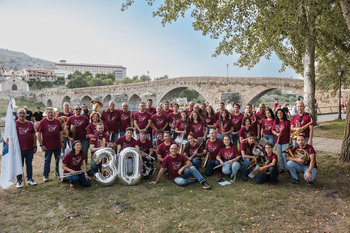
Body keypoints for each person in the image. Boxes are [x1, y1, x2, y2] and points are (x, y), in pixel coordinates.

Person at [37, 107, 63, 182]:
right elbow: (39, 134)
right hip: (47, 146)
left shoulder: (57, 121)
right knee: (47, 161)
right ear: (46, 113)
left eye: (51, 112)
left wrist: (62, 141)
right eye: (49, 112)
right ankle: (45, 175)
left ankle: (57, 172)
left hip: (57, 145)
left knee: (58, 160)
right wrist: (41, 145)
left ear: (53, 113)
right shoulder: (42, 122)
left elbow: (61, 131)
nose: (50, 114)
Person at [15, 108, 37, 188]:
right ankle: (19, 181)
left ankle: (30, 179)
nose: (22, 114)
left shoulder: (30, 124)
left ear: (26, 114)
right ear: (17, 114)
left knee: (29, 164)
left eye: (23, 113)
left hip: (29, 148)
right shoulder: (15, 124)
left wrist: (35, 145)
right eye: (20, 113)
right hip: (19, 149)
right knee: (19, 165)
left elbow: (34, 135)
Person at [272, 108, 291, 174]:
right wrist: (276, 133)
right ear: (276, 114)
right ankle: (282, 168)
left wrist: (290, 140)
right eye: (278, 113)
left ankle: (288, 168)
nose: (279, 114)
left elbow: (290, 132)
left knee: (285, 155)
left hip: (285, 141)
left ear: (283, 114)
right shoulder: (275, 121)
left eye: (281, 113)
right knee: (280, 155)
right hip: (278, 141)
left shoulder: (287, 122)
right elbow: (273, 130)